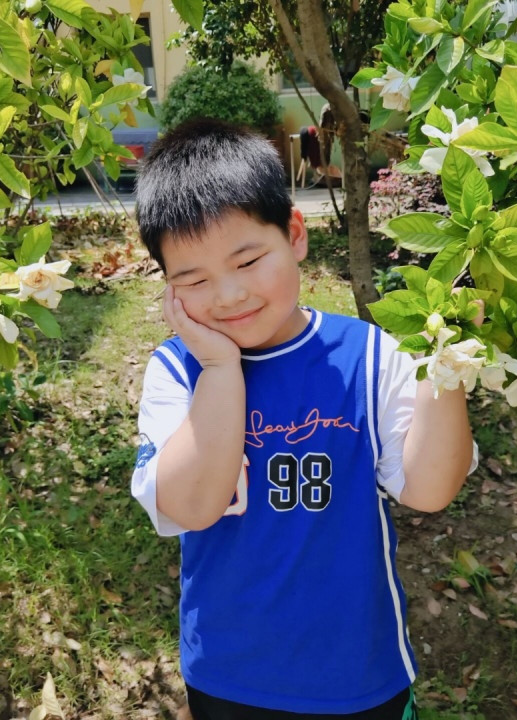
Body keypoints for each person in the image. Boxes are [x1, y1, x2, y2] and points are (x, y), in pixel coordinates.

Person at [131, 118, 480, 720]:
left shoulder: (368, 356)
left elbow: (428, 490)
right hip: (228, 674)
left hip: (358, 675)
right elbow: (191, 506)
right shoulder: (176, 371)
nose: (229, 295)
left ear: (294, 235)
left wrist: (442, 366)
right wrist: (219, 368)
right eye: (194, 279)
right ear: (168, 287)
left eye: (247, 261)